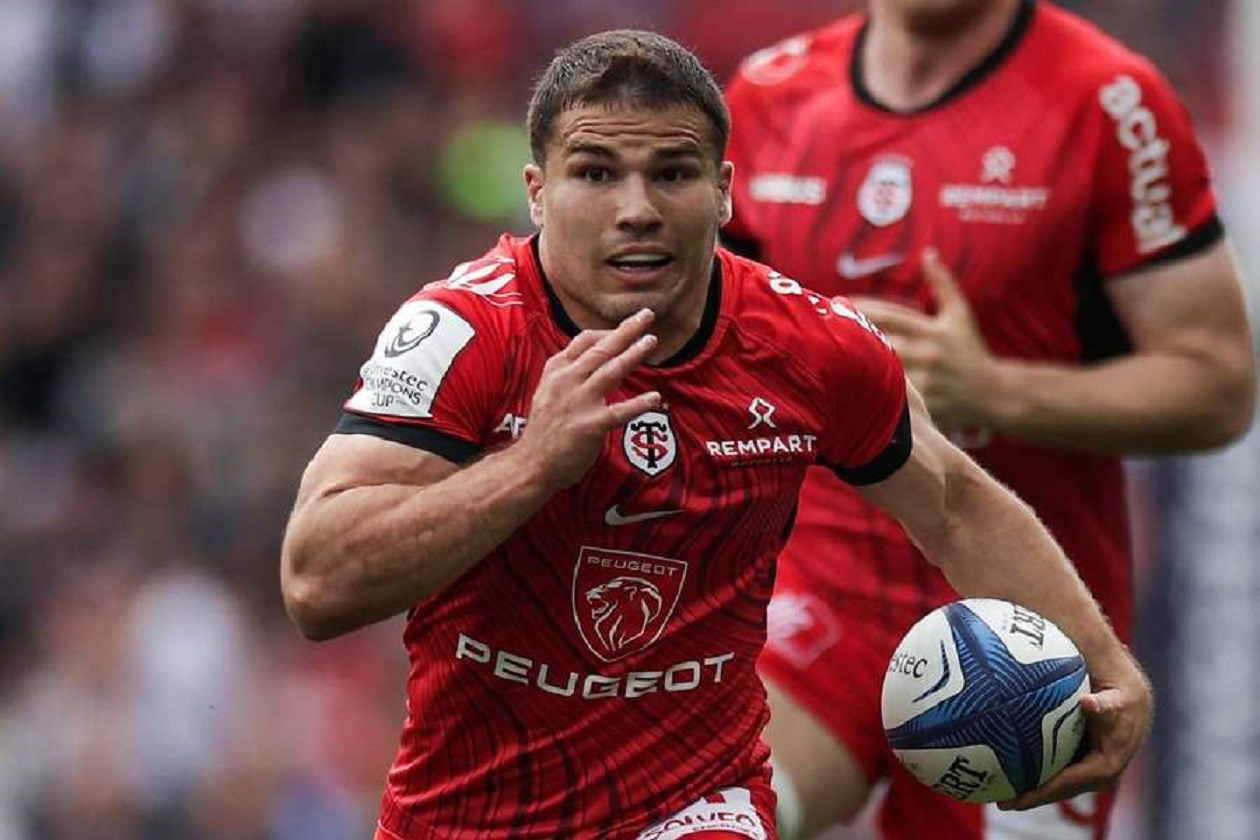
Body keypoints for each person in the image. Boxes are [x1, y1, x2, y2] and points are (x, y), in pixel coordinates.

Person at [280, 28, 1153, 840]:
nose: (638, 210)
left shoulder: (812, 347)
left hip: (698, 801)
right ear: (538, 192)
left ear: (726, 192)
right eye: (595, 174)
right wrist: (534, 465)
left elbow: (957, 504)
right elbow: (318, 582)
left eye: (673, 172)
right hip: (468, 813)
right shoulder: (465, 332)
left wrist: (1114, 676)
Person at [722, 2, 1255, 839]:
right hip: (821, 578)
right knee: (713, 818)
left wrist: (993, 390)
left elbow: (1218, 386)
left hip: (1025, 620)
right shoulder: (767, 94)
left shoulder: (1111, 102)